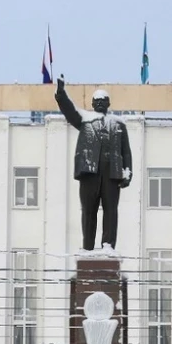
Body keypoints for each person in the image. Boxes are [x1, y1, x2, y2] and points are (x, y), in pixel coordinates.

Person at [54, 76, 133, 251]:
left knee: (111, 211)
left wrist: (128, 172)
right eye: (96, 101)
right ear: (91, 103)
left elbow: (126, 151)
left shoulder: (119, 124)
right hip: (89, 172)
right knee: (88, 211)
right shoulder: (84, 119)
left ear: (108, 103)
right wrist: (61, 94)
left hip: (112, 173)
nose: (99, 103)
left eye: (103, 101)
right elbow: (69, 110)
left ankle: (108, 246)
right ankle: (88, 247)